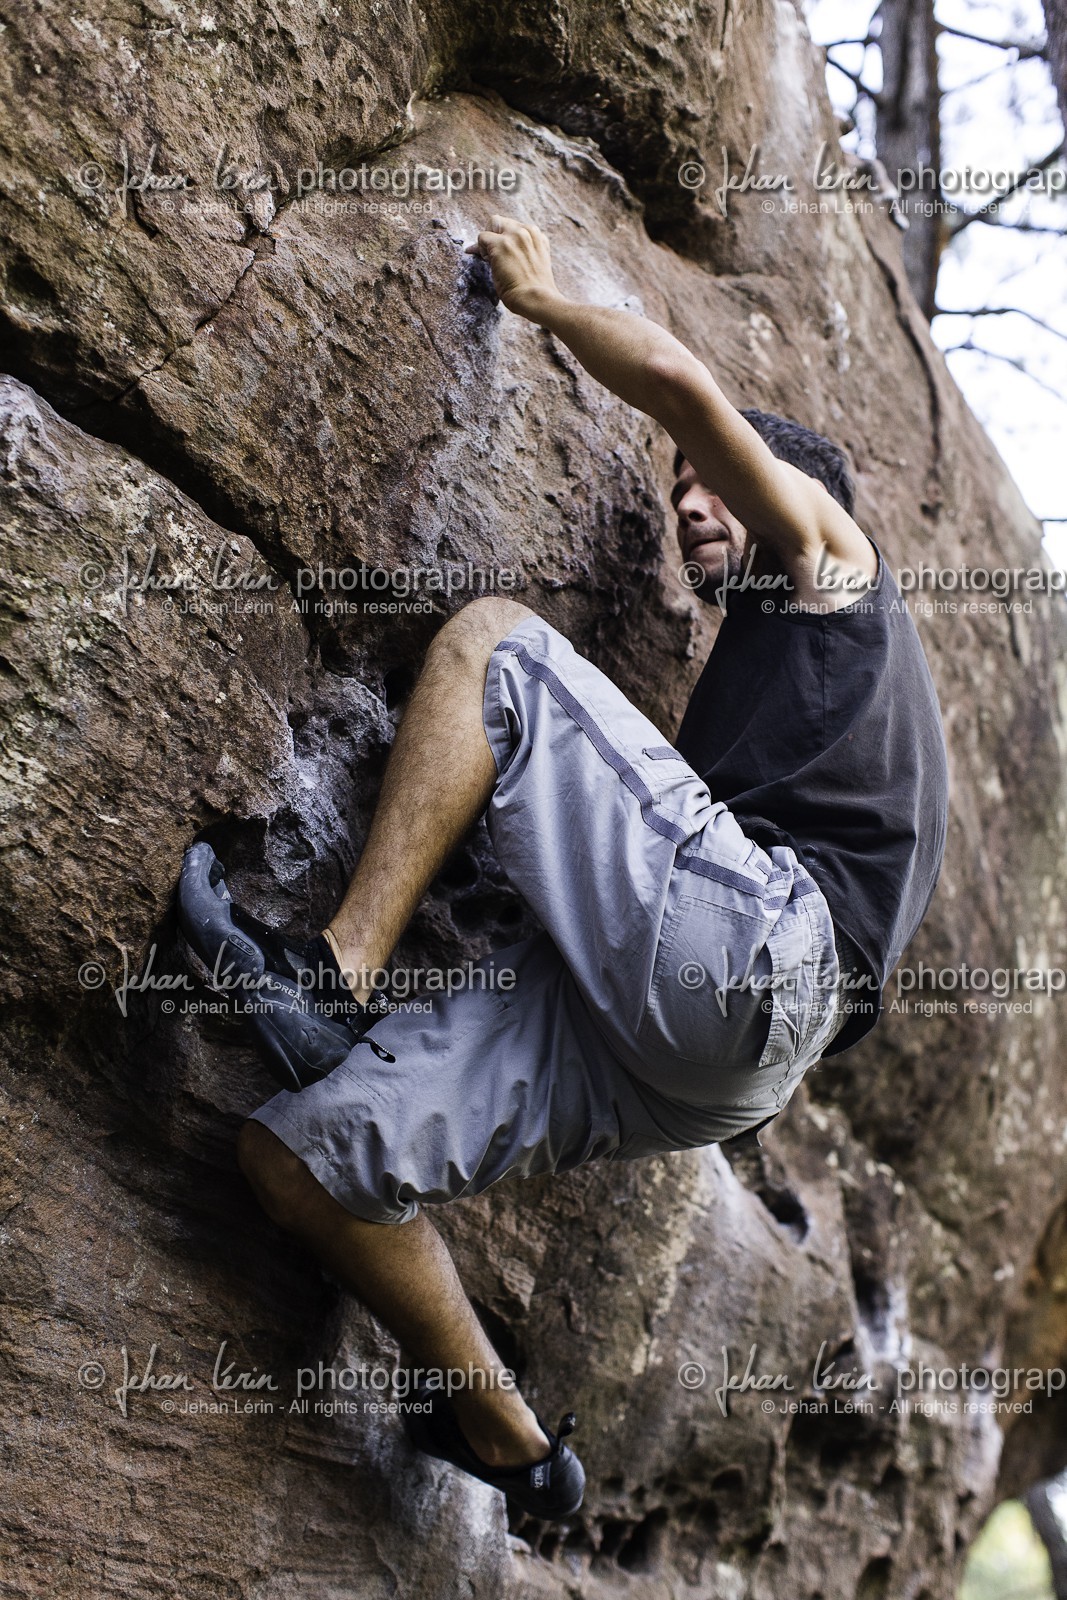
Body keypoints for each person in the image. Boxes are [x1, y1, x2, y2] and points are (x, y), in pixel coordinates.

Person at [178, 216, 948, 1522]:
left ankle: (335, 974)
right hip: (706, 1063)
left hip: (758, 958)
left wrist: (539, 299)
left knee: (496, 648)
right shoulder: (794, 703)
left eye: (703, 485)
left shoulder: (834, 564)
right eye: (675, 496)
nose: (688, 504)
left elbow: (684, 390)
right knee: (299, 1159)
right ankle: (509, 1437)